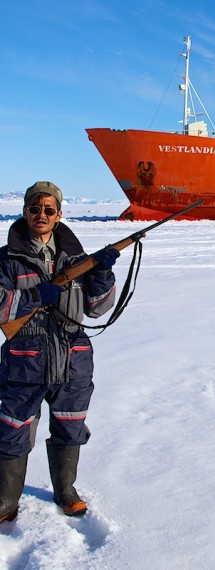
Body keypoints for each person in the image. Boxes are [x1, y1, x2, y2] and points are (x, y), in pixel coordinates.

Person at [0, 181, 120, 522]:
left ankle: (66, 492)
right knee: (13, 428)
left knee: (70, 427)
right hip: (24, 361)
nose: (41, 215)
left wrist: (102, 274)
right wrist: (35, 297)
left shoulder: (77, 259)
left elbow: (97, 309)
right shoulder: (6, 259)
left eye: (49, 210)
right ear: (24, 211)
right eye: (35, 208)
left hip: (74, 359)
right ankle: (6, 501)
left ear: (59, 215)